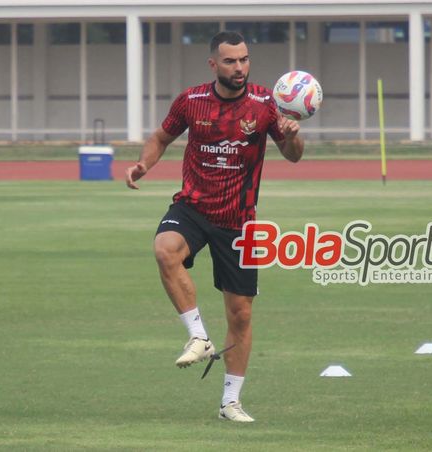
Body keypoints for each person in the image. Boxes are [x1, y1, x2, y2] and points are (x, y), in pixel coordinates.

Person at [125, 31, 304, 422]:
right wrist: (144, 164)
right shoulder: (191, 101)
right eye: (230, 61)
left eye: (243, 60)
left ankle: (230, 402)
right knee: (164, 248)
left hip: (239, 220)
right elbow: (161, 137)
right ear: (213, 64)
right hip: (193, 207)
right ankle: (199, 336)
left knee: (240, 314)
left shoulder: (265, 104)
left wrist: (293, 135)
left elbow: (292, 157)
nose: (238, 67)